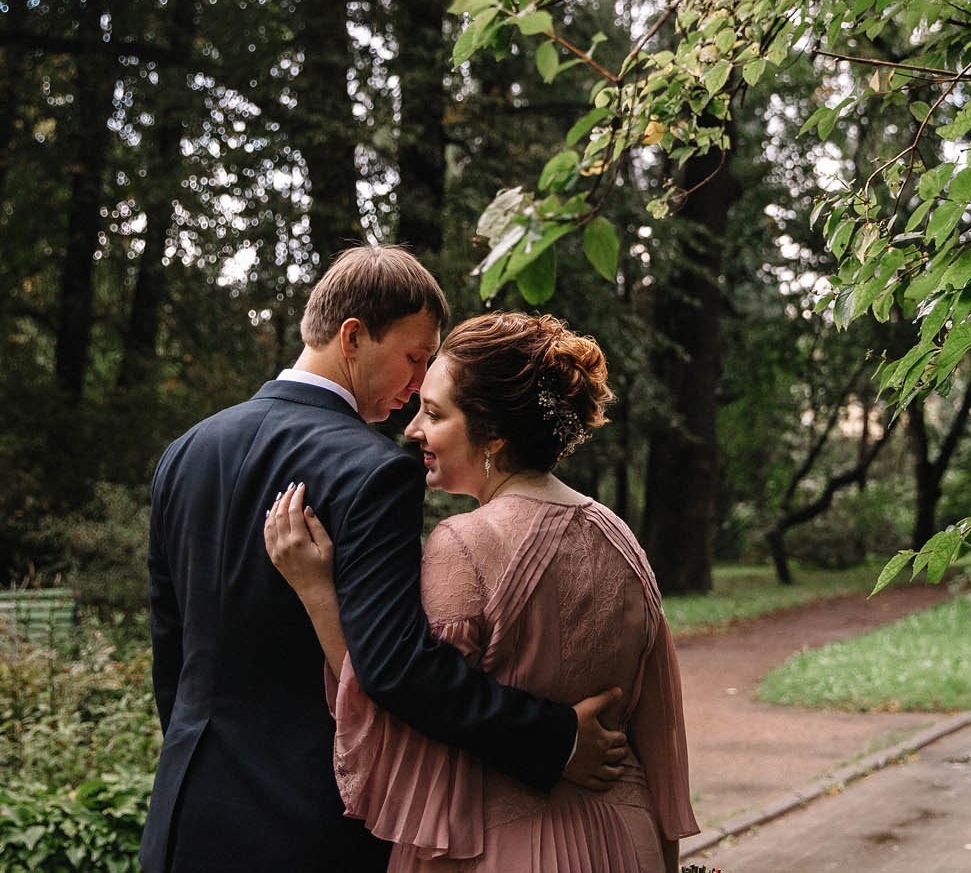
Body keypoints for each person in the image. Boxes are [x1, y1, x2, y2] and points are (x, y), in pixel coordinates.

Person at [144, 247, 629, 873]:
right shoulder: (372, 470)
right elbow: (397, 665)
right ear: (353, 337)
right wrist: (554, 737)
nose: (417, 382)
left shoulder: (184, 453)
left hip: (182, 817)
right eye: (414, 356)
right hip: (310, 825)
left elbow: (172, 656)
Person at [265, 311, 698, 872]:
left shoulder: (464, 544)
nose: (413, 429)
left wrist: (315, 589)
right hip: (625, 841)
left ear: (492, 434)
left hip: (503, 848)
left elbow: (401, 704)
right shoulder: (620, 537)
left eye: (434, 413)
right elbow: (658, 728)